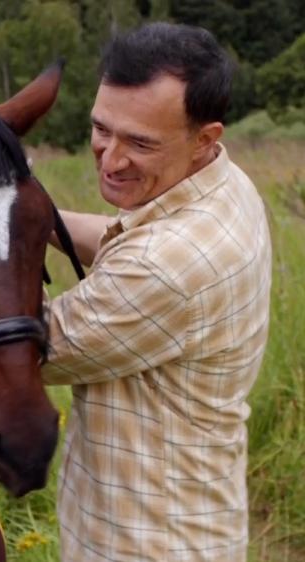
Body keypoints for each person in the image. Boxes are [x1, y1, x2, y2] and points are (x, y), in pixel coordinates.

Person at [42, 23, 272, 562]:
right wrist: (31, 213)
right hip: (192, 521)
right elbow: (123, 239)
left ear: (204, 138)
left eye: (140, 143)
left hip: (146, 543)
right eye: (102, 128)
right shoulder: (220, 184)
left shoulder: (167, 268)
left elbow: (20, 347)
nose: (110, 158)